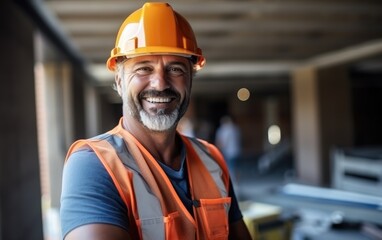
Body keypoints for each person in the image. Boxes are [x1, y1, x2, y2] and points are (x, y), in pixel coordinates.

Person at [60, 2, 252, 240]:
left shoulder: (211, 160)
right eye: (143, 68)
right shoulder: (94, 165)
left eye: (175, 69)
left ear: (190, 80)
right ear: (119, 82)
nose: (160, 84)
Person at [215, 115, 241, 183]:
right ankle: (235, 181)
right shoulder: (235, 128)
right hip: (236, 150)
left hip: (229, 151)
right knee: (235, 167)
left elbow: (223, 142)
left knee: (230, 167)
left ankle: (232, 182)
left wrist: (219, 149)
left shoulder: (225, 130)